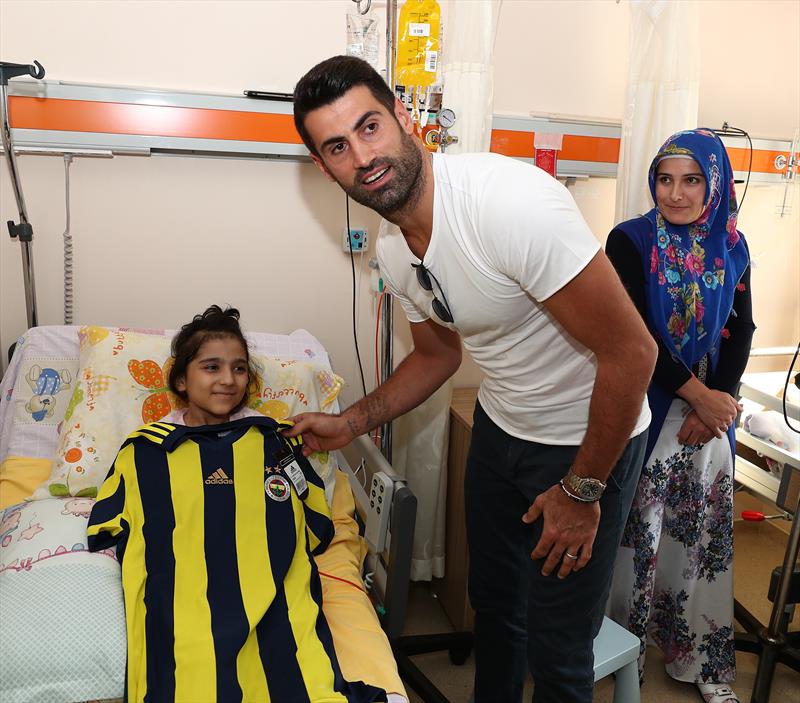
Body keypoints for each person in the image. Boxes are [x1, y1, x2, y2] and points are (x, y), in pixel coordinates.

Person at [287, 55, 657, 703]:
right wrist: (348, 422)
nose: (363, 156)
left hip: (585, 441)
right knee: (494, 607)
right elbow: (438, 356)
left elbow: (632, 354)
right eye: (338, 146)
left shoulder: (507, 206)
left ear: (405, 117)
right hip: (500, 428)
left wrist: (581, 491)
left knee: (558, 645)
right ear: (324, 167)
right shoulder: (392, 249)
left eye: (370, 126)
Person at [88, 305, 387, 703]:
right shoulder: (144, 452)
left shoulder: (274, 444)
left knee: (292, 670)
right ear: (181, 379)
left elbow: (317, 523)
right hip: (183, 608)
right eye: (211, 367)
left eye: (240, 368)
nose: (228, 379)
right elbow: (106, 526)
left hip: (275, 602)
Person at [605, 129, 754, 703]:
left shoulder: (732, 244)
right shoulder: (631, 241)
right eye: (665, 180)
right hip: (647, 408)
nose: (675, 193)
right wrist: (697, 395)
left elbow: (740, 329)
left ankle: (701, 659)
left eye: (691, 180)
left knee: (702, 539)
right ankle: (626, 661)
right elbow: (636, 334)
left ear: (714, 185)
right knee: (638, 539)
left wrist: (719, 401)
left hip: (709, 412)